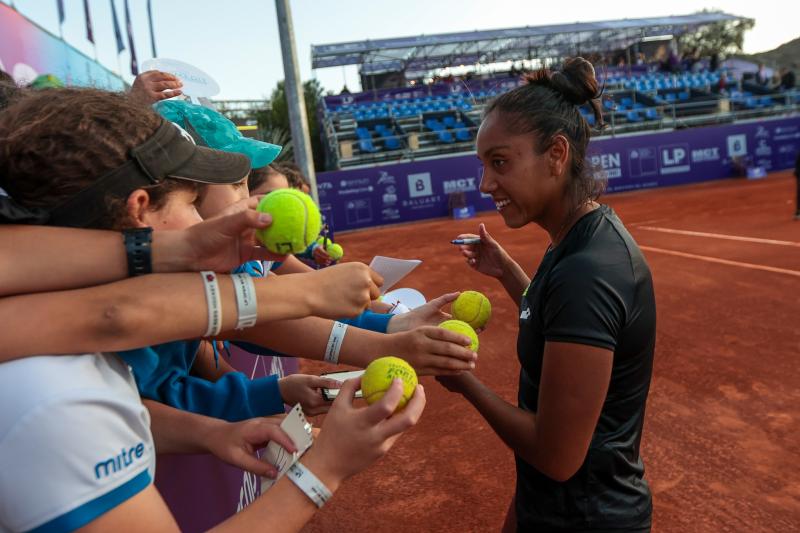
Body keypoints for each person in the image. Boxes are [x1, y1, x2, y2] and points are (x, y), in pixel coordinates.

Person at [0, 88, 428, 531]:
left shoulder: (48, 328)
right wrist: (326, 468)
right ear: (141, 210)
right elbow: (119, 318)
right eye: (191, 203)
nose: (202, 220)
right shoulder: (55, 394)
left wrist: (211, 431)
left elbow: (118, 316)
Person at [445, 57, 656, 532]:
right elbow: (558, 320)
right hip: (556, 509)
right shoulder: (578, 238)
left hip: (588, 518)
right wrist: (509, 273)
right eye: (483, 165)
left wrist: (464, 383)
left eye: (500, 162)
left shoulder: (587, 271)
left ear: (557, 154)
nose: (485, 184)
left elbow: (557, 456)